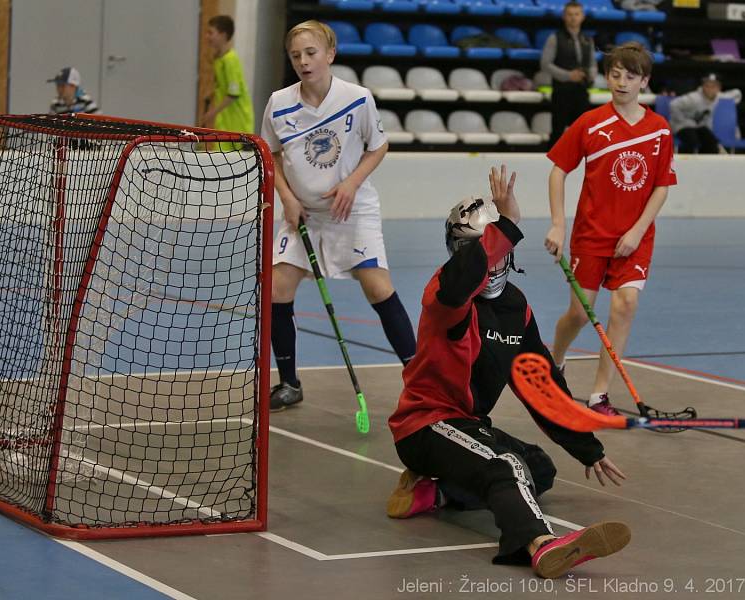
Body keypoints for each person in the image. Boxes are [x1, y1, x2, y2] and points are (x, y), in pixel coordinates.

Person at [387, 165, 630, 580]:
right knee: (505, 464)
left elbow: (541, 385)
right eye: (474, 248)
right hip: (425, 426)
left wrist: (587, 446)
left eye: (492, 246)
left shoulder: (517, 307)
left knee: (539, 468)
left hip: (468, 425)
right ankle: (539, 545)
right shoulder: (446, 296)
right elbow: (465, 276)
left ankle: (434, 491)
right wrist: (509, 222)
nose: (489, 259)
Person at [260, 20, 416, 410]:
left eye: (311, 53)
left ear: (330, 54)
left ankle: (420, 381)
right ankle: (290, 383)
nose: (303, 61)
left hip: (352, 209)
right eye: (296, 55)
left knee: (378, 288)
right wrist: (288, 199)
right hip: (303, 213)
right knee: (278, 290)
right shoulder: (279, 102)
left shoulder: (357, 98)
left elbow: (378, 147)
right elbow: (272, 155)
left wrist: (351, 183)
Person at [544, 42, 677, 416]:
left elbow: (662, 186)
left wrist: (636, 231)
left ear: (644, 81)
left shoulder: (659, 131)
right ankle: (554, 362)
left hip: (635, 237)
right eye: (615, 74)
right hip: (591, 234)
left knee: (625, 303)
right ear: (607, 77)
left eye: (630, 76)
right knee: (580, 313)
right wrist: (558, 223)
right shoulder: (590, 123)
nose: (621, 82)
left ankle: (600, 394)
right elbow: (558, 171)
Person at [540, 1, 597, 148]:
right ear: (564, 17)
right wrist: (567, 75)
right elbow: (545, 64)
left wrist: (590, 75)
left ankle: (581, 164)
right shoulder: (555, 38)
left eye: (576, 14)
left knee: (582, 132)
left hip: (581, 90)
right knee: (557, 132)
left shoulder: (588, 40)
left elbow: (592, 63)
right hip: (561, 91)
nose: (573, 18)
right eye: (570, 14)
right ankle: (551, 165)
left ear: (582, 16)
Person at [201, 15, 254, 141]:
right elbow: (223, 85)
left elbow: (233, 94)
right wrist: (212, 92)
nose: (207, 37)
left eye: (210, 33)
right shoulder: (218, 59)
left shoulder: (230, 60)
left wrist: (211, 113)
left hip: (238, 121)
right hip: (225, 121)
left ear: (223, 35)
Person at [669, 73, 724, 154]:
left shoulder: (716, 99)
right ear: (703, 86)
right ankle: (685, 163)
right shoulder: (693, 98)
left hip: (697, 126)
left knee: (712, 142)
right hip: (681, 125)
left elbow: (708, 116)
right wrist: (682, 121)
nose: (709, 89)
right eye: (707, 86)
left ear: (719, 88)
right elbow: (673, 105)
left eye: (713, 87)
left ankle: (705, 164)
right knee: (692, 141)